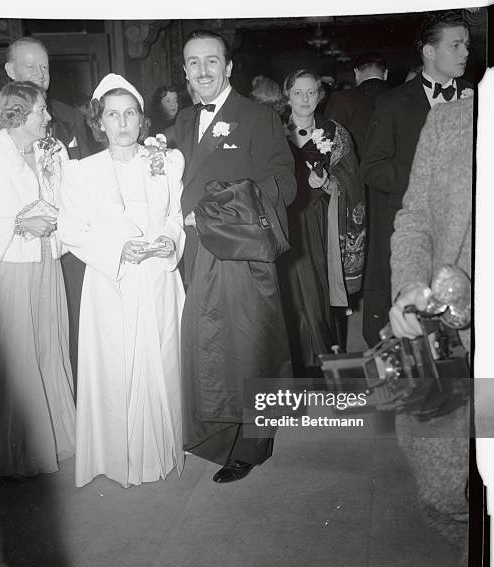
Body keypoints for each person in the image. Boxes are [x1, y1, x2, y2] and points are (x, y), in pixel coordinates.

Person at [173, 30, 296, 483]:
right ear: (184, 70)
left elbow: (283, 183)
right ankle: (214, 434)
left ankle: (250, 446)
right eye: (193, 63)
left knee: (250, 348)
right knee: (209, 350)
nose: (203, 71)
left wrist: (216, 209)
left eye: (212, 62)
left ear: (228, 68)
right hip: (195, 255)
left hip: (241, 252)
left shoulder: (257, 116)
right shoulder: (184, 120)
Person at [58, 74, 185, 488]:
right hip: (110, 284)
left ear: (141, 119)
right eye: (113, 115)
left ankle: (160, 451)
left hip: (156, 280)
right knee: (115, 369)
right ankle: (117, 457)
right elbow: (71, 230)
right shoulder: (83, 172)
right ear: (100, 122)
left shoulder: (164, 161)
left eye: (129, 113)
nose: (122, 122)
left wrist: (168, 242)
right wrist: (116, 251)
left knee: (159, 362)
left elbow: (174, 216)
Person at [388, 95, 473, 567]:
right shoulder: (450, 119)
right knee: (441, 491)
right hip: (447, 340)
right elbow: (415, 216)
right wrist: (408, 288)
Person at [360, 10, 471, 347]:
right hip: (409, 224)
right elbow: (372, 166)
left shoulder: (476, 97)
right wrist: (423, 182)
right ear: (429, 51)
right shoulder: (393, 102)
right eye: (456, 45)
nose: (466, 52)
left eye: (467, 44)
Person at [0, 81, 75, 478]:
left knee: (48, 349)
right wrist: (21, 223)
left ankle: (54, 438)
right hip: (10, 265)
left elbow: (68, 200)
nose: (48, 116)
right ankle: (16, 451)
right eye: (41, 110)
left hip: (47, 260)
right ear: (17, 113)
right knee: (18, 356)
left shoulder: (51, 150)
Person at [5, 36, 91, 395]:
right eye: (30, 67)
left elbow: (84, 181)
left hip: (63, 250)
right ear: (10, 71)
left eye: (45, 68)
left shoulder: (68, 117)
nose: (40, 75)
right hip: (12, 254)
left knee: (65, 330)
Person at [279, 69, 365, 374]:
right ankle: (295, 371)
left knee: (318, 295)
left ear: (320, 95)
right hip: (281, 221)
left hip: (320, 223)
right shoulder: (271, 129)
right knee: (288, 297)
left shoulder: (335, 133)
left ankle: (325, 369)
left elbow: (353, 180)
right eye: (298, 92)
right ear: (287, 94)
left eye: (311, 92)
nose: (304, 99)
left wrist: (329, 183)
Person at [324, 53, 389, 161]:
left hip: (355, 174)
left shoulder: (340, 99)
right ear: (386, 74)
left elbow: (329, 141)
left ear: (356, 73)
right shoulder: (401, 98)